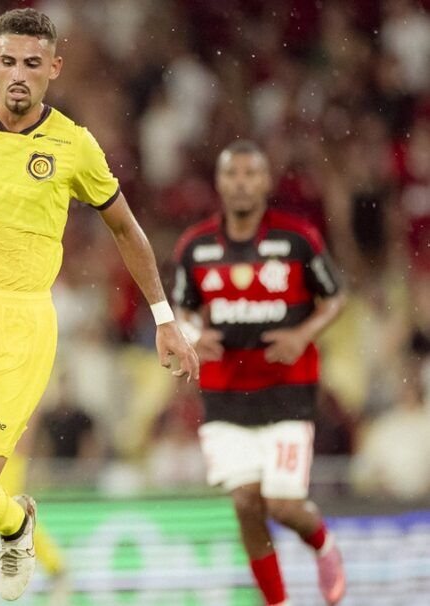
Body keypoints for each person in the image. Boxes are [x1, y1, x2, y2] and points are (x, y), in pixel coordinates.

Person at [0, 8, 199, 602]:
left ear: (54, 68)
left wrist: (164, 320)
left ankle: (15, 521)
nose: (19, 75)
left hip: (24, 324)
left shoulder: (75, 146)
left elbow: (127, 231)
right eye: (9, 62)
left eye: (33, 63)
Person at [173, 140, 347, 606]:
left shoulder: (298, 239)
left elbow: (335, 297)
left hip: (287, 389)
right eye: (233, 174)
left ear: (267, 182)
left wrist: (302, 335)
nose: (242, 183)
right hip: (225, 392)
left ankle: (323, 544)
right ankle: (278, 601)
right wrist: (192, 332)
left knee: (283, 505)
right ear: (220, 182)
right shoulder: (196, 246)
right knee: (246, 503)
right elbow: (182, 309)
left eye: (252, 174)